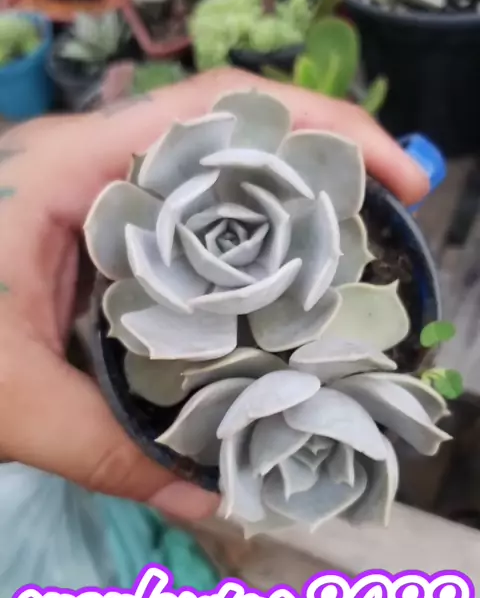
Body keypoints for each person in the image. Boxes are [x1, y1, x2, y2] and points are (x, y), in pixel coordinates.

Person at [0, 67, 429, 522]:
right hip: (192, 312)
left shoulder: (315, 250)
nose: (233, 242)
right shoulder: (147, 248)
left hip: (291, 308)